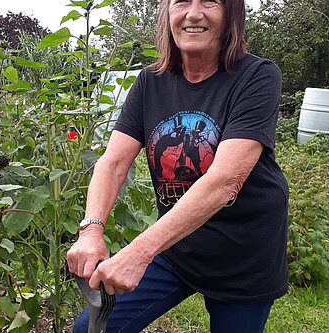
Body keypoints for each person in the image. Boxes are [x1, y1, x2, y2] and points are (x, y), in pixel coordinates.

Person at [67, 0, 289, 332]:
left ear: (231, 14)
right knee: (91, 329)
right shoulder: (149, 83)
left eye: (210, 2)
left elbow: (225, 180)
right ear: (167, 13)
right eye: (182, 1)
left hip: (244, 258)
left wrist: (138, 253)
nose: (194, 13)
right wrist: (91, 229)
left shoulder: (257, 77)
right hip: (176, 248)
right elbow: (112, 163)